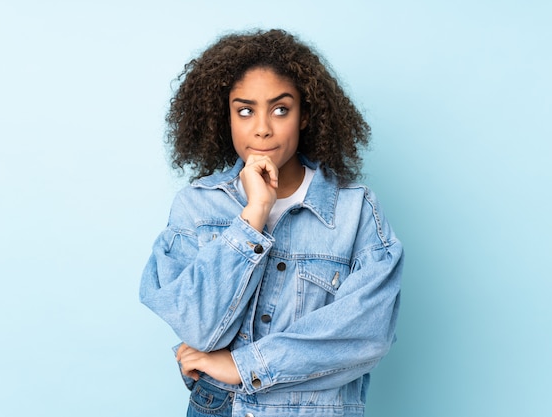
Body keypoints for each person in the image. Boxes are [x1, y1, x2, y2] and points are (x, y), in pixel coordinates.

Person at [140, 28, 403, 417]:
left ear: (305, 115)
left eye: (281, 109)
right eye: (245, 110)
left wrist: (245, 366)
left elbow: (367, 332)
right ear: (224, 116)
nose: (262, 128)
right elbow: (198, 327)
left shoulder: (355, 210)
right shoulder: (197, 207)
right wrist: (254, 215)